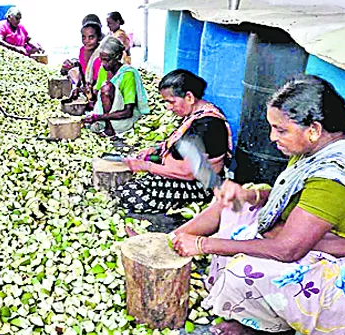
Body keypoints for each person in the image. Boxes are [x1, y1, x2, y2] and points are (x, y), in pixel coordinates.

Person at [171, 75, 345, 335]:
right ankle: (175, 238)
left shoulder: (333, 178)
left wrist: (204, 245)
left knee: (244, 267)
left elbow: (288, 250)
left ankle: (270, 327)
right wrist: (249, 195)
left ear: (313, 128)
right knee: (232, 206)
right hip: (309, 238)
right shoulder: (316, 149)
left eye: (281, 130)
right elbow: (288, 193)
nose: (273, 137)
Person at [118, 69, 231, 214]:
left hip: (200, 185)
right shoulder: (197, 113)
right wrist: (157, 149)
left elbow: (187, 173)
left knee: (128, 194)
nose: (168, 107)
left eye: (171, 102)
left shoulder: (206, 125)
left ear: (189, 97)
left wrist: (146, 166)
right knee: (134, 181)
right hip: (180, 171)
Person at [82, 37, 149, 137]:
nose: (103, 63)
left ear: (118, 57)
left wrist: (98, 117)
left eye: (107, 60)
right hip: (104, 118)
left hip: (122, 120)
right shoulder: (103, 69)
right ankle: (106, 125)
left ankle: (110, 129)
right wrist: (87, 92)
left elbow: (127, 112)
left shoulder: (127, 74)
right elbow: (95, 98)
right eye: (101, 59)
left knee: (107, 87)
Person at [60, 15, 104, 98]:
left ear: (98, 37)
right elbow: (82, 70)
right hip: (87, 89)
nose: (87, 41)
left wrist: (85, 90)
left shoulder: (101, 55)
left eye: (91, 37)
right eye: (84, 37)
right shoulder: (82, 50)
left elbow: (99, 83)